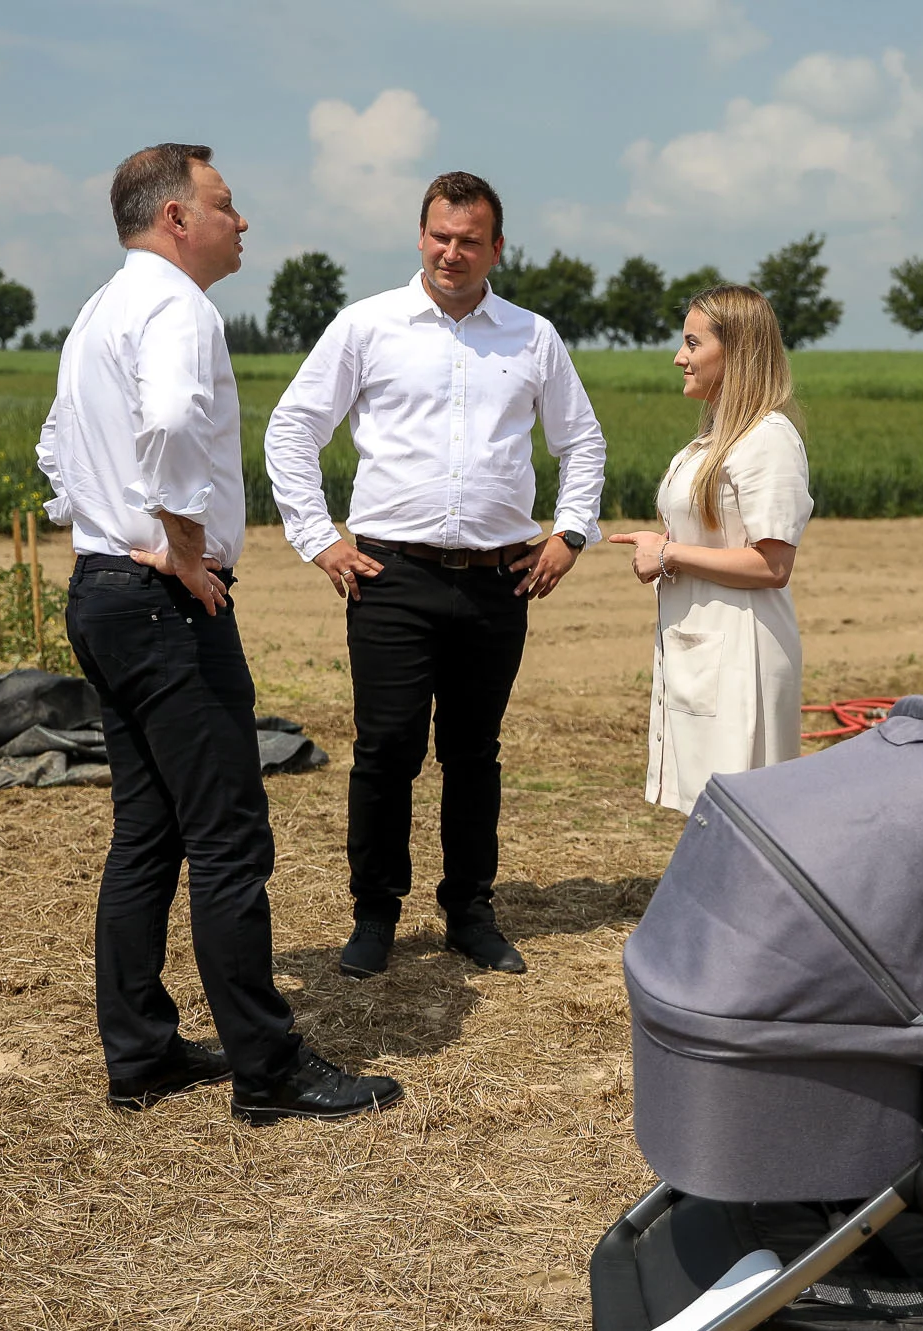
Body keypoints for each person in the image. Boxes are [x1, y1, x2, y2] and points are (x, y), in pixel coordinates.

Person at [38, 143, 400, 1123]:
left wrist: (116, 530)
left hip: (103, 589)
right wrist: (184, 546)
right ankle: (268, 1069)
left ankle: (142, 1052)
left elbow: (56, 450)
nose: (244, 223)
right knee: (229, 836)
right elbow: (164, 423)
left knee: (147, 833)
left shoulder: (99, 311)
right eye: (227, 205)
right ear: (175, 219)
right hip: (162, 603)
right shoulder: (176, 306)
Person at [263, 171, 607, 981]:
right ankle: (374, 916)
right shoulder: (367, 326)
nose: (453, 252)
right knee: (385, 750)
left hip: (498, 580)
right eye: (440, 236)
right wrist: (319, 539)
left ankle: (469, 912)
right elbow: (293, 428)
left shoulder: (532, 337)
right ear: (421, 236)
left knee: (474, 752)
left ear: (496, 247)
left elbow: (581, 443)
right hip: (391, 576)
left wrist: (569, 535)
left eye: (470, 240)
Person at [608, 285, 814, 812]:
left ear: (737, 350)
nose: (680, 357)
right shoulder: (713, 440)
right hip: (705, 643)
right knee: (713, 806)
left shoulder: (767, 438)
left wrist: (668, 555)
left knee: (742, 807)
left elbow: (773, 563)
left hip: (742, 647)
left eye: (693, 344)